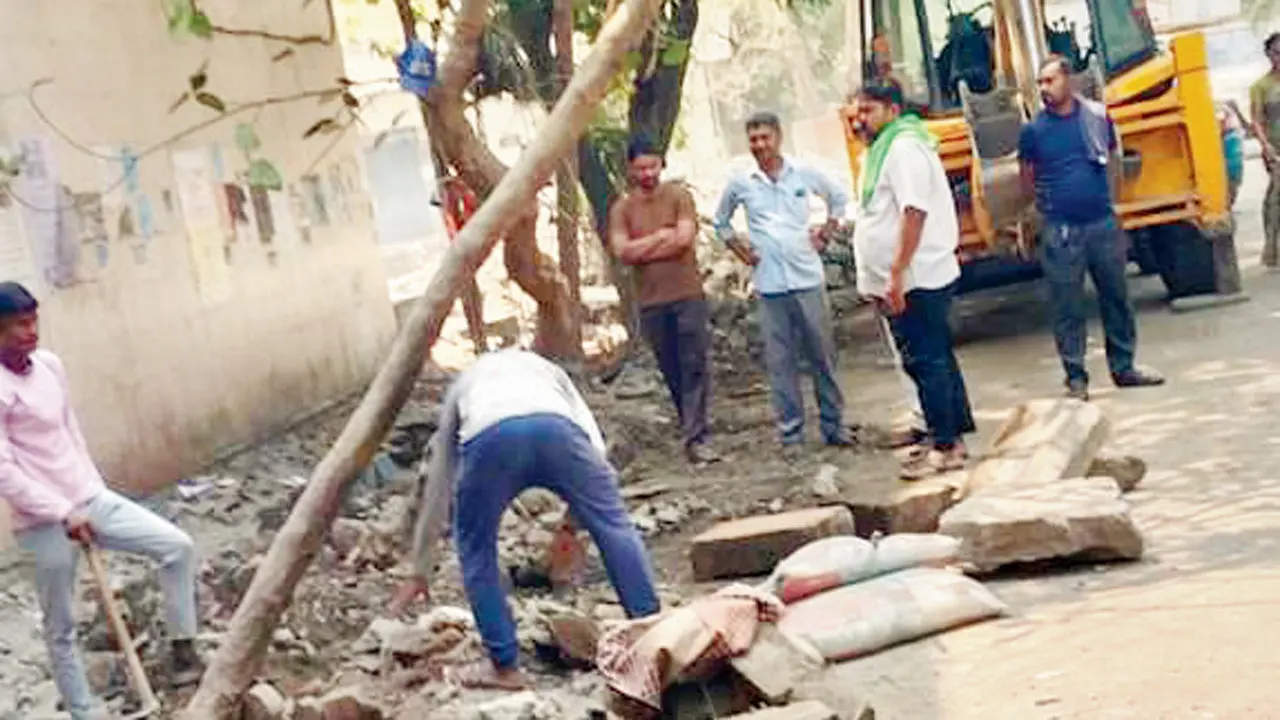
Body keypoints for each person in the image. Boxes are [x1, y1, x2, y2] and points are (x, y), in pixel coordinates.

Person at [388, 349, 660, 690]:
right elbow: (596, 449)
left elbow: (440, 478)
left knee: (475, 549)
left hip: (490, 439)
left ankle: (504, 665)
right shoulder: (549, 370)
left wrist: (420, 569)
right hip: (559, 431)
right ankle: (653, 636)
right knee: (615, 526)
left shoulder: (463, 383)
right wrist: (571, 527)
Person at [0, 283, 203, 720]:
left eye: (34, 320)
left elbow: (70, 432)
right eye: (20, 324)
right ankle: (83, 712)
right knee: (62, 627)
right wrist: (61, 512)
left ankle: (183, 650)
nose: (31, 331)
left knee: (176, 547)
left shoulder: (50, 366)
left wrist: (89, 490)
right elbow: (4, 471)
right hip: (42, 523)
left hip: (88, 498)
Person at [1018, 55, 1164, 402]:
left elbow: (1113, 160)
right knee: (1067, 305)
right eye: (1040, 83)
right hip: (1062, 230)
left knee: (1116, 297)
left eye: (1049, 81)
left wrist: (1113, 205)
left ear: (1068, 81)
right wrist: (1041, 211)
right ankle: (1076, 377)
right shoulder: (1034, 130)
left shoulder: (1097, 117)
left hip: (1101, 223)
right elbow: (1027, 174)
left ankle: (1124, 367)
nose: (1044, 89)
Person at [851, 81, 976, 478]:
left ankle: (946, 445)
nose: (859, 120)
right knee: (933, 354)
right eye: (856, 112)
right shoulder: (884, 148)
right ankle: (953, 429)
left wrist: (896, 272)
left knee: (925, 360)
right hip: (904, 274)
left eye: (866, 111)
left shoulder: (903, 148)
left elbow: (914, 212)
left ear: (890, 108)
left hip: (915, 274)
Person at [712, 111, 853, 452]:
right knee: (780, 363)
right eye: (754, 139)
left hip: (807, 278)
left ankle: (834, 427)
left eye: (765, 137)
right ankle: (791, 434)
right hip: (770, 286)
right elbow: (721, 222)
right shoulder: (741, 183)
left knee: (822, 356)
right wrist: (741, 251)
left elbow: (838, 198)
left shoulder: (803, 174)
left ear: (778, 137)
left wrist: (826, 233)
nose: (760, 145)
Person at [609, 137, 719, 465]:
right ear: (630, 169)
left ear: (662, 164)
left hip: (687, 293)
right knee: (669, 365)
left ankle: (696, 436)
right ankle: (689, 428)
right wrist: (660, 237)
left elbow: (684, 239)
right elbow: (622, 252)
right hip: (651, 301)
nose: (647, 173)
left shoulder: (678, 196)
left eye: (652, 165)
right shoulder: (622, 209)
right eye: (641, 167)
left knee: (694, 363)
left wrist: (643, 248)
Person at [1250, 33, 1280, 268]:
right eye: (1276, 52)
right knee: (1276, 197)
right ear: (1269, 55)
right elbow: (1257, 120)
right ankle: (1271, 247)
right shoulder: (1261, 87)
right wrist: (1265, 145)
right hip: (1275, 150)